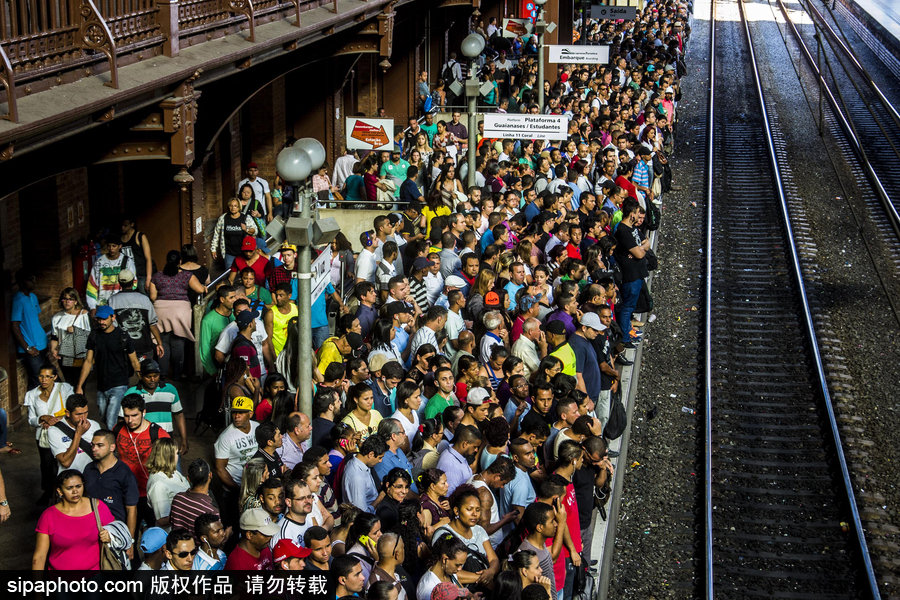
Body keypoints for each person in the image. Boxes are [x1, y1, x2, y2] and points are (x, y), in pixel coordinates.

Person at [32, 469, 114, 571]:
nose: (75, 491)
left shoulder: (98, 507)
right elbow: (39, 556)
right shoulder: (49, 516)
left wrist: (110, 537)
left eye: (78, 486)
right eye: (69, 488)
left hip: (94, 578)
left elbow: (117, 533)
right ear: (60, 491)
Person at [74, 305, 141, 430]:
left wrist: (142, 382)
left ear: (113, 317)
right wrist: (79, 386)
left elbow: (134, 361)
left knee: (110, 422)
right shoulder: (94, 336)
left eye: (104, 319)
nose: (102, 322)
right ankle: (120, 436)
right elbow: (88, 361)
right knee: (104, 417)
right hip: (102, 385)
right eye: (99, 319)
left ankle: (113, 448)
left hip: (119, 383)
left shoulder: (123, 336)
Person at [116, 393, 171, 526]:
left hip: (151, 494)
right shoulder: (117, 430)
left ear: (144, 412)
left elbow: (170, 466)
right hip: (126, 493)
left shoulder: (158, 434)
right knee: (129, 536)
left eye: (134, 415)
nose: (130, 420)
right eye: (126, 416)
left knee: (156, 535)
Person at [149, 251, 206, 380]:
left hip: (161, 311)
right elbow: (200, 289)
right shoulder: (187, 276)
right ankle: (177, 375)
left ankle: (162, 374)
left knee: (162, 342)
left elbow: (152, 297)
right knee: (178, 343)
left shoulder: (157, 276)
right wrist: (204, 288)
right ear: (180, 262)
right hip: (181, 311)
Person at [82, 427, 139, 557]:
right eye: (93, 445)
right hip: (91, 532)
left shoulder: (124, 473)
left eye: (100, 445)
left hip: (115, 532)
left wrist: (129, 542)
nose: (94, 449)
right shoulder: (88, 469)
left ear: (112, 447)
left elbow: (131, 509)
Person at [433, 484, 500, 588]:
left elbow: (493, 559)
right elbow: (444, 570)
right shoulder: (443, 533)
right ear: (456, 511)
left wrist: (491, 571)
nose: (475, 514)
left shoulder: (479, 530)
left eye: (478, 510)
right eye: (469, 509)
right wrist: (483, 578)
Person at [24, 364, 74, 502]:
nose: (44, 379)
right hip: (43, 436)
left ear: (55, 377)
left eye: (48, 376)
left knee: (63, 462)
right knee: (46, 465)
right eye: (41, 376)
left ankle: (64, 490)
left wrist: (57, 420)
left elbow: (72, 408)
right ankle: (49, 492)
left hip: (63, 432)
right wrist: (42, 418)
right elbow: (31, 420)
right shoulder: (32, 394)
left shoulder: (64, 388)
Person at [124, 360, 188, 454]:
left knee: (174, 468)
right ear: (141, 375)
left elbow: (179, 415)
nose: (152, 379)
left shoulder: (170, 390)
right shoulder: (131, 393)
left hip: (167, 442)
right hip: (141, 444)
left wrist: (184, 439)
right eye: (148, 377)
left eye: (155, 376)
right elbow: (122, 420)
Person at [214, 396, 259, 515]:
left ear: (250, 413)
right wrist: (238, 490)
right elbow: (220, 468)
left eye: (241, 413)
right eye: (235, 412)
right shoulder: (226, 437)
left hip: (256, 486)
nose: (236, 416)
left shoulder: (257, 428)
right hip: (234, 490)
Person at [109, 268, 164, 364]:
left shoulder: (112, 300)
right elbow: (152, 324)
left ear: (119, 282)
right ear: (133, 281)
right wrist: (159, 343)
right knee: (145, 374)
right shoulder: (144, 299)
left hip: (122, 348)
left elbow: (112, 325)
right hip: (143, 347)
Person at [519, 502, 566, 600]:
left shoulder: (541, 543)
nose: (556, 524)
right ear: (539, 527)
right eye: (552, 521)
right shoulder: (528, 554)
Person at [12, 269, 50, 389]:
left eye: (34, 279)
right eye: (30, 280)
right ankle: (33, 407)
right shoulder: (18, 300)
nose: (34, 282)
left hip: (42, 344)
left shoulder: (33, 296)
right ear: (22, 282)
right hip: (32, 348)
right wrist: (27, 347)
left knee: (49, 378)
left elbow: (34, 320)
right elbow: (14, 325)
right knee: (38, 381)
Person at [47, 393, 101, 474]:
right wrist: (78, 433)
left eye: (86, 413)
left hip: (92, 476)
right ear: (68, 413)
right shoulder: (54, 431)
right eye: (78, 414)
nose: (83, 418)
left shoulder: (95, 426)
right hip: (70, 479)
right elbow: (66, 462)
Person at [169, 459, 222, 537]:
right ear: (210, 475)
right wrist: (228, 532)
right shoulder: (211, 511)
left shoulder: (177, 499)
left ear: (188, 478)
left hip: (179, 546)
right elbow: (217, 539)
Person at [49, 287, 91, 385]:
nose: (67, 302)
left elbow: (91, 335)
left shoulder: (83, 315)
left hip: (80, 354)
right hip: (64, 355)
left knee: (80, 385)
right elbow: (54, 337)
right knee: (69, 383)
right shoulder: (57, 317)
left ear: (76, 301)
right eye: (65, 299)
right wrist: (53, 349)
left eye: (71, 299)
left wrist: (76, 331)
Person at [498, 437, 538, 539]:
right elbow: (518, 516)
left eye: (532, 452)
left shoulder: (512, 469)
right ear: (515, 458)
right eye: (527, 454)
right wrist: (528, 539)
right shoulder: (521, 482)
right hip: (515, 535)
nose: (532, 456)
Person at [146, 438, 190, 530]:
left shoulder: (174, 472)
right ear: (168, 456)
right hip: (172, 535)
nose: (178, 456)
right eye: (177, 453)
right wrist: (188, 512)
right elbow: (162, 520)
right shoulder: (158, 485)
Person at [85, 236, 136, 311]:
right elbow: (92, 285)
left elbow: (133, 283)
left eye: (114, 246)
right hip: (103, 306)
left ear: (120, 246)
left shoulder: (127, 262)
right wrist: (92, 306)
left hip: (122, 305)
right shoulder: (99, 262)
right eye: (109, 246)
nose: (111, 248)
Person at [342, 434, 387, 514]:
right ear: (371, 455)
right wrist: (380, 497)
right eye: (380, 457)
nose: (381, 461)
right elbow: (361, 513)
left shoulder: (362, 464)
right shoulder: (356, 477)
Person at [416, 534, 467, 600]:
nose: (460, 569)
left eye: (461, 565)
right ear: (445, 559)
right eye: (457, 565)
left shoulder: (451, 573)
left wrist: (472, 596)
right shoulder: (428, 588)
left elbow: (460, 590)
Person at [436, 425, 482, 497]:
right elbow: (448, 497)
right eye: (475, 447)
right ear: (465, 444)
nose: (476, 450)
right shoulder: (451, 466)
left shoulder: (459, 455)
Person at [200, 285, 236, 376]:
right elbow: (204, 350)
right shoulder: (208, 320)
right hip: (217, 367)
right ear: (222, 300)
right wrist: (213, 372)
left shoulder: (236, 315)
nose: (235, 300)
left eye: (235, 296)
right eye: (231, 297)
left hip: (235, 366)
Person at [212, 198, 257, 269]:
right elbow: (216, 233)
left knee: (243, 272)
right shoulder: (223, 218)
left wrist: (246, 229)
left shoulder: (245, 218)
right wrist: (213, 248)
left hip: (243, 252)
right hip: (229, 252)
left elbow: (255, 231)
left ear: (239, 207)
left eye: (235, 206)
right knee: (230, 273)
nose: (233, 208)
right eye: (231, 206)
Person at [120, 216, 154, 294]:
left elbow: (148, 259)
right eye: (122, 225)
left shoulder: (139, 236)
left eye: (125, 225)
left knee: (144, 297)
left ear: (132, 224)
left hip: (141, 274)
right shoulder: (120, 239)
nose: (123, 228)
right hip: (127, 275)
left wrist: (148, 277)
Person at [376, 467, 412, 532]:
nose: (404, 491)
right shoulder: (385, 511)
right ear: (388, 485)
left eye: (407, 487)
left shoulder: (401, 502)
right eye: (399, 487)